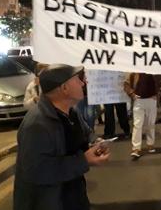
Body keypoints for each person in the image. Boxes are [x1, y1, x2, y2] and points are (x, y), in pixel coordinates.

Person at [14, 64, 110, 210]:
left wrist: (95, 143)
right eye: (77, 80)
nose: (83, 83)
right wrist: (84, 160)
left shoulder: (72, 112)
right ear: (64, 88)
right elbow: (37, 171)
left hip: (74, 197)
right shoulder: (37, 124)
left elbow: (86, 133)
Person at [124, 73, 158, 160]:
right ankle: (136, 148)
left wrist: (158, 93)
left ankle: (150, 144)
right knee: (137, 124)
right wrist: (132, 94)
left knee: (150, 123)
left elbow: (160, 81)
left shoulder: (154, 69)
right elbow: (126, 84)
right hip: (138, 100)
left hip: (151, 99)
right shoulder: (133, 71)